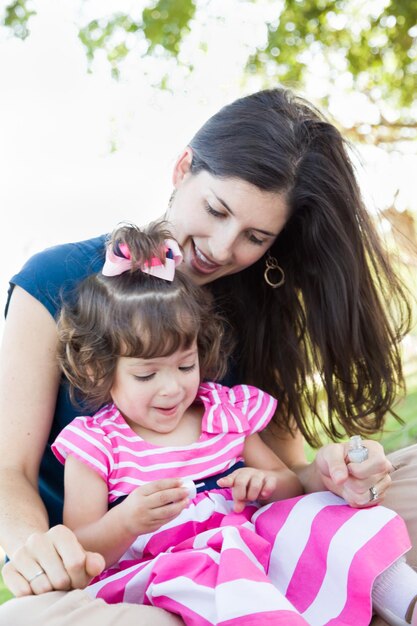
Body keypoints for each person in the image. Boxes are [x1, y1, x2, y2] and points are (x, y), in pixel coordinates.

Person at [0, 86, 415, 625]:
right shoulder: (53, 282)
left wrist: (333, 475)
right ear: (182, 169)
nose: (221, 248)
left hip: (249, 541)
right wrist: (35, 547)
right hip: (130, 574)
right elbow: (10, 468)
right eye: (216, 209)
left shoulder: (262, 308)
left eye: (255, 236)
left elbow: (284, 476)